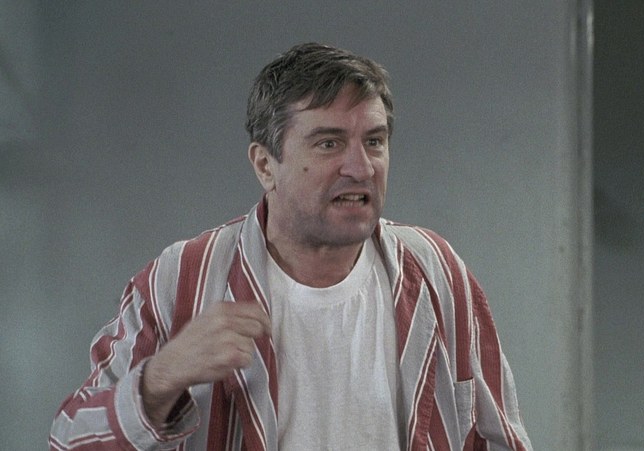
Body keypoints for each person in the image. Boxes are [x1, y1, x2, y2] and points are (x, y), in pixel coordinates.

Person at [49, 42, 531, 450]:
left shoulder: (436, 270)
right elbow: (69, 441)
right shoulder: (182, 280)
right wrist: (160, 379)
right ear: (265, 165)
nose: (361, 168)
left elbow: (500, 439)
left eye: (374, 142)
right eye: (329, 143)